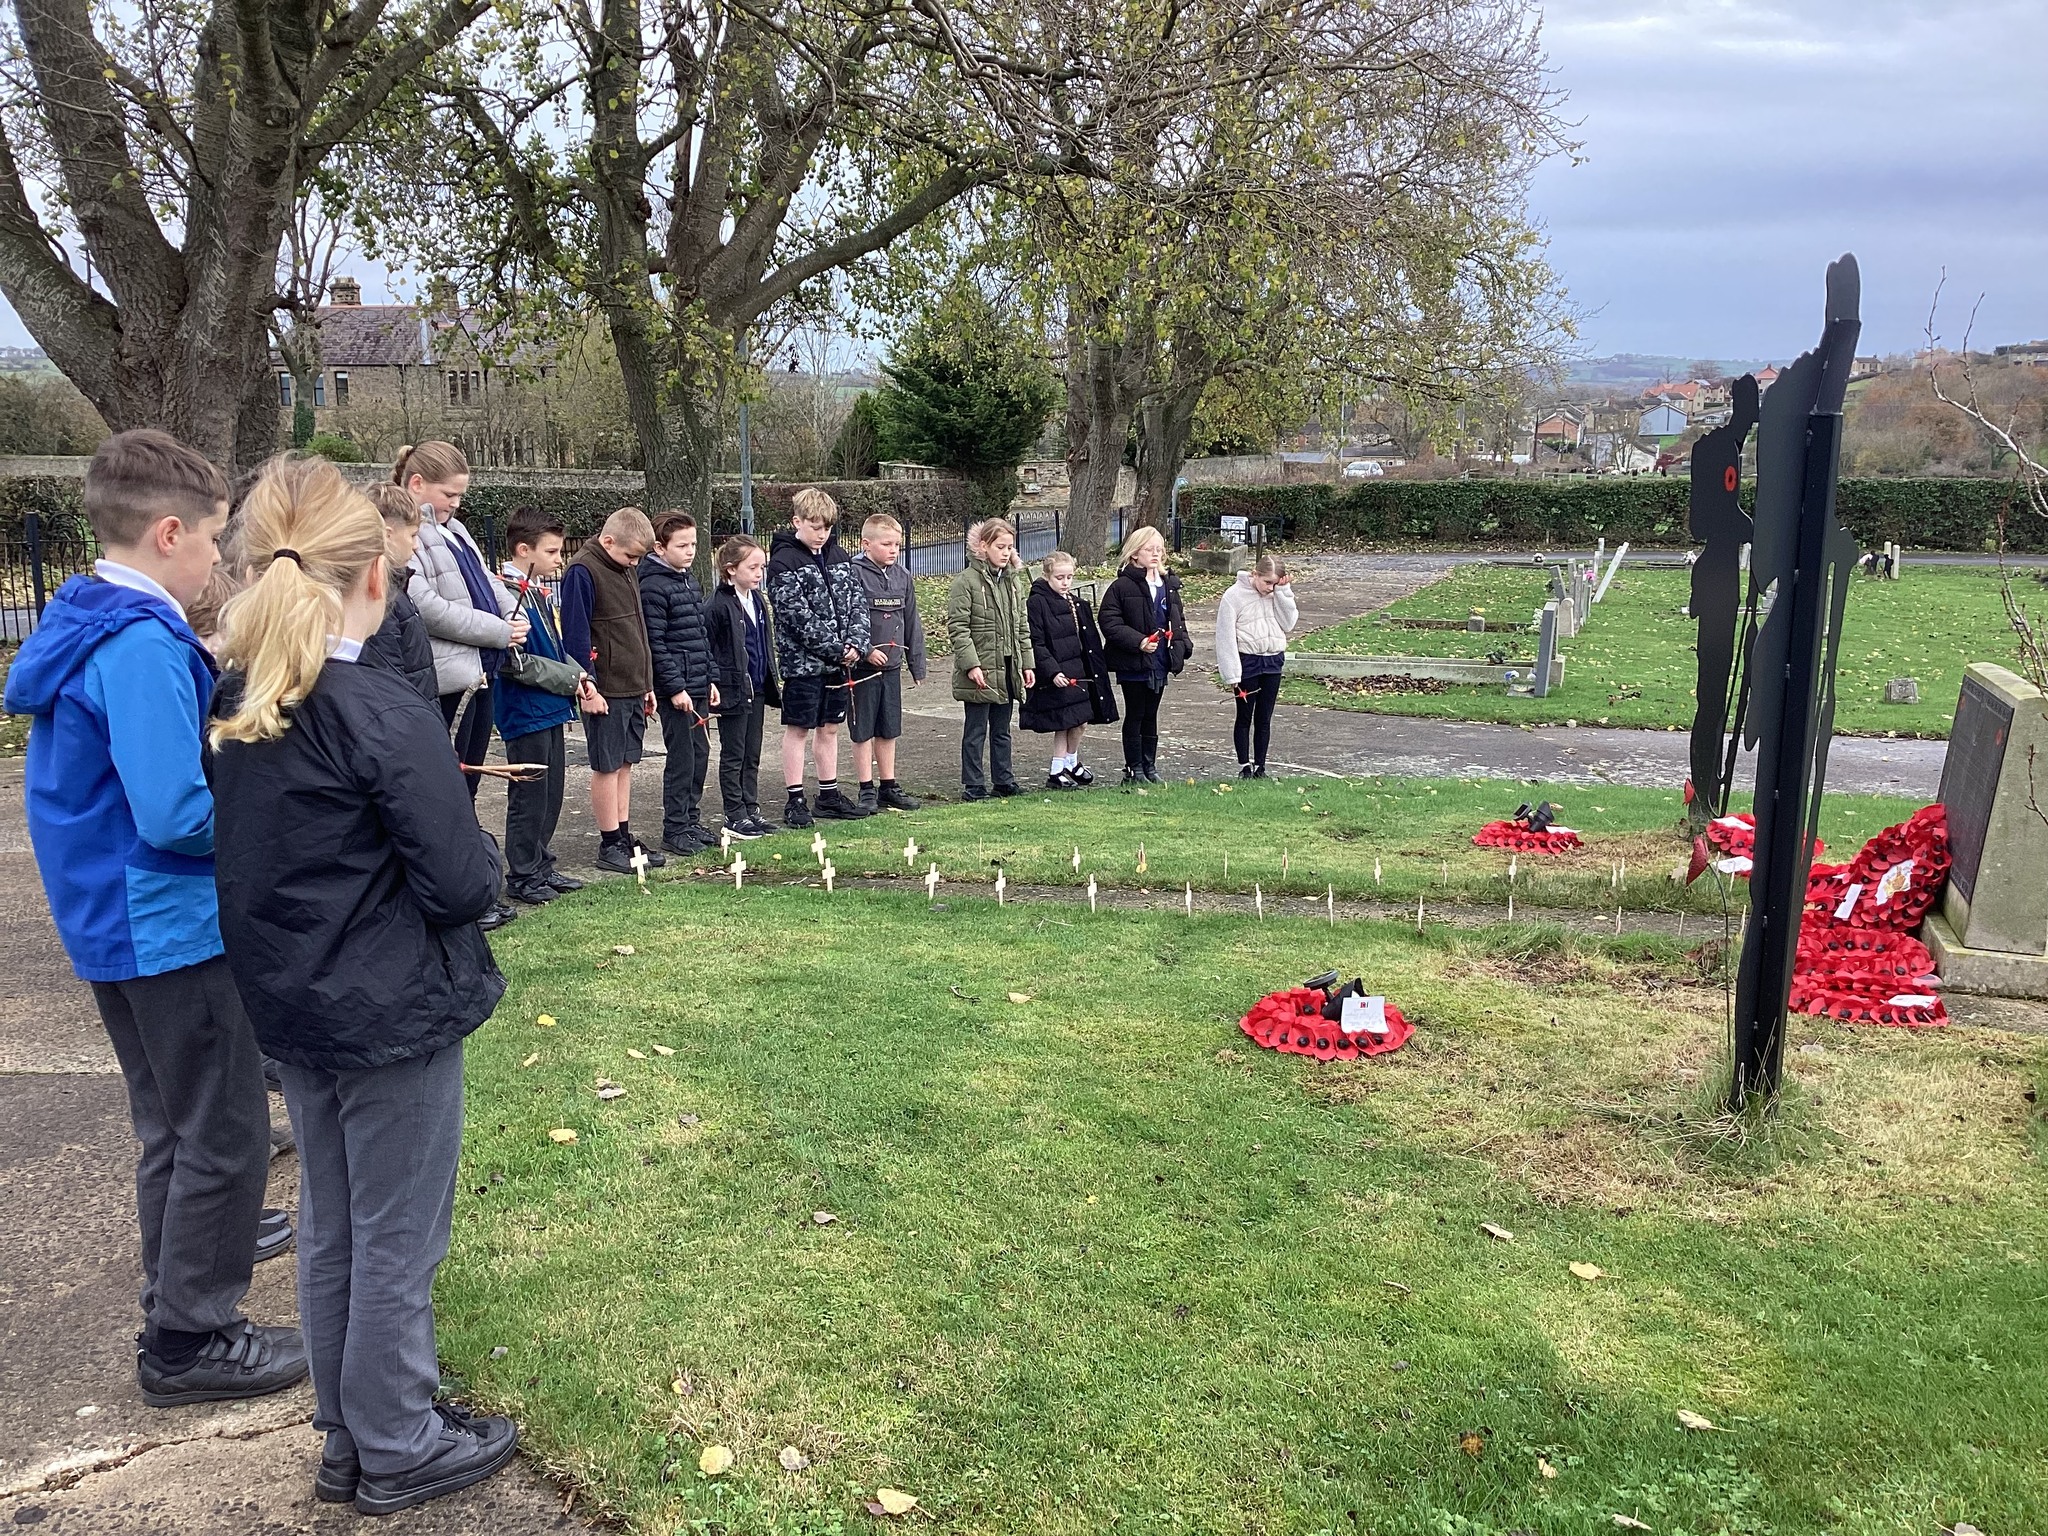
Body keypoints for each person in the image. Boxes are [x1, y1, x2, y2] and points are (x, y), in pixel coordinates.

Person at [208, 456, 516, 1517]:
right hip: (387, 1009)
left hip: (297, 1002)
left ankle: (350, 1428)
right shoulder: (376, 710)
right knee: (396, 1233)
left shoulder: (244, 700)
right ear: (375, 578)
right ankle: (395, 1439)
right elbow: (460, 880)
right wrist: (481, 864)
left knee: (336, 1221)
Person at [1, 429, 307, 1408]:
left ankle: (182, 1292)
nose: (219, 561)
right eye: (214, 540)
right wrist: (274, 829)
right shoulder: (138, 643)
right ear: (170, 533)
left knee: (174, 1127)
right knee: (224, 1132)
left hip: (113, 921)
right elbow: (175, 813)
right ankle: (190, 1339)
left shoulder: (89, 616)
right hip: (167, 925)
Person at [400, 441, 524, 931]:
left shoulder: (454, 529)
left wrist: (513, 610)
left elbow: (485, 583)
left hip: (480, 673)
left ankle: (474, 889)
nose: (455, 503)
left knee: (468, 786)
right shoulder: (409, 533)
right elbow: (427, 606)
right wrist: (497, 630)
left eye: (459, 496)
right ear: (416, 485)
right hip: (448, 679)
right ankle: (456, 894)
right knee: (449, 791)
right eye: (448, 494)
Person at [495, 506, 590, 903]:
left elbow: (554, 647)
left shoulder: (534, 591)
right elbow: (514, 662)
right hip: (524, 711)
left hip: (550, 707)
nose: (559, 559)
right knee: (529, 797)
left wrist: (580, 675)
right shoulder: (504, 594)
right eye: (551, 552)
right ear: (524, 550)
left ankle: (541, 864)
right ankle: (523, 874)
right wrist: (569, 679)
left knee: (551, 794)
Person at [561, 506, 662, 873]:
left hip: (633, 684)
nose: (635, 563)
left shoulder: (625, 568)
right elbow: (575, 634)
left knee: (625, 763)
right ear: (607, 541)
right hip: (605, 688)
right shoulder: (582, 571)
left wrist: (647, 683)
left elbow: (637, 629)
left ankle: (622, 833)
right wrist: (587, 687)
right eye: (630, 556)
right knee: (607, 766)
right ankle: (608, 843)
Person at [765, 488, 870, 827]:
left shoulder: (839, 556)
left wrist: (856, 643)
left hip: (840, 664)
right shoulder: (783, 562)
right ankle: (795, 798)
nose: (822, 534)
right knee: (799, 729)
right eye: (815, 527)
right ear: (797, 522)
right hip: (804, 665)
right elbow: (796, 617)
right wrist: (837, 649)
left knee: (830, 728)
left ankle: (829, 794)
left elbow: (858, 602)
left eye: (827, 527)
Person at [639, 513, 719, 855]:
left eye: (694, 544)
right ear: (660, 548)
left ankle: (690, 819)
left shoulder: (688, 580)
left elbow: (700, 635)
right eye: (682, 545)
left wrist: (711, 677)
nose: (690, 551)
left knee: (700, 753)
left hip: (697, 681)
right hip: (677, 688)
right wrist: (674, 689)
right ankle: (675, 827)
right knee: (682, 757)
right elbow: (655, 644)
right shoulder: (653, 587)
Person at [946, 517, 1034, 800]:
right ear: (984, 546)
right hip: (981, 667)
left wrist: (1027, 663)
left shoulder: (1013, 581)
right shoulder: (966, 581)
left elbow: (1022, 625)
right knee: (975, 730)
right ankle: (973, 784)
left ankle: (1003, 780)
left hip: (1007, 665)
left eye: (1009, 547)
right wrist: (971, 665)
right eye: (1000, 547)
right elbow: (959, 628)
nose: (1006, 553)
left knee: (1002, 729)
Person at [1097, 525, 1192, 784]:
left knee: (1152, 714)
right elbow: (1109, 621)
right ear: (1135, 554)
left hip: (1160, 660)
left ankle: (1150, 767)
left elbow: (1178, 619)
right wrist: (1138, 641)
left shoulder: (1168, 584)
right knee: (1136, 712)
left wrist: (1183, 645)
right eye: (1150, 549)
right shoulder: (1121, 586)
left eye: (1159, 549)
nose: (1156, 554)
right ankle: (1134, 769)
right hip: (1134, 662)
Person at [848, 513, 926, 813]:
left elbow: (912, 622)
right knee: (863, 730)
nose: (893, 550)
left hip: (891, 667)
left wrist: (916, 664)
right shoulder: (853, 573)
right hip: (862, 669)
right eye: (886, 544)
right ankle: (865, 788)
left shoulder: (902, 576)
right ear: (866, 544)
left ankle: (888, 786)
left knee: (889, 728)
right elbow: (847, 618)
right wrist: (866, 650)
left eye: (897, 544)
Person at [1020, 549, 1116, 789]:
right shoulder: (1037, 603)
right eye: (1059, 578)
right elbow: (1036, 641)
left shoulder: (1076, 603)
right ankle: (1057, 769)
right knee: (1063, 722)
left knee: (1080, 721)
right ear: (1046, 576)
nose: (1065, 583)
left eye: (1069, 577)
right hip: (1056, 672)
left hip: (1078, 670)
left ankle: (1070, 761)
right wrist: (1053, 672)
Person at [706, 534, 780, 839]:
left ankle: (751, 807)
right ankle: (734, 813)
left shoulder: (757, 600)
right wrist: (715, 682)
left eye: (762, 567)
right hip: (733, 689)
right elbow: (710, 647)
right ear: (731, 569)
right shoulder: (718, 605)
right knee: (734, 753)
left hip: (757, 687)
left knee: (752, 752)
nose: (759, 573)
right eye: (753, 568)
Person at [1214, 553, 1298, 778]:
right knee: (1244, 716)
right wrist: (1231, 674)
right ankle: (1244, 766)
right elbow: (1225, 637)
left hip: (1272, 660)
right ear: (1255, 574)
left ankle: (1261, 766)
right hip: (1247, 662)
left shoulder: (1276, 594)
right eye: (1267, 582)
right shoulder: (1234, 596)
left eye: (1274, 583)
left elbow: (1288, 623)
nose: (1270, 588)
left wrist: (1283, 592)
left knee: (1264, 717)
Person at [359, 483, 439, 705]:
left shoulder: (396, 589)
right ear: (387, 535)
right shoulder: (379, 600)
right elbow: (390, 679)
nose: (416, 546)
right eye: (412, 535)